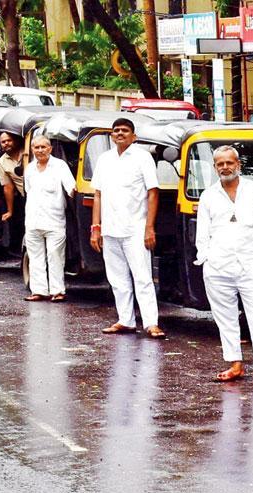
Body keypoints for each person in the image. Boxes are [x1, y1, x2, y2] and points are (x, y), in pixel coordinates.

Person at [195, 145, 253, 382]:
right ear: (215, 167)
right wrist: (206, 257)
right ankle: (234, 364)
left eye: (229, 163)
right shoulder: (208, 195)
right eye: (220, 164)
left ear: (238, 165)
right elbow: (202, 232)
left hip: (249, 262)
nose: (225, 167)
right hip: (218, 265)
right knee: (225, 317)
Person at [89, 117, 164, 338]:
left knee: (142, 277)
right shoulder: (105, 159)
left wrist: (149, 227)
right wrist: (96, 227)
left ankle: (151, 322)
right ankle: (125, 320)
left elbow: (153, 192)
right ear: (111, 135)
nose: (119, 134)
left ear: (134, 136)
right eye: (116, 130)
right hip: (110, 228)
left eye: (124, 130)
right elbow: (98, 194)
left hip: (136, 228)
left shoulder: (142, 157)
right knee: (117, 279)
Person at [22, 136, 74, 302]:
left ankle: (58, 291)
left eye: (43, 147)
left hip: (54, 220)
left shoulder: (60, 166)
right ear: (32, 150)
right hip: (32, 220)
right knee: (35, 256)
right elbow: (28, 191)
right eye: (36, 147)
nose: (40, 150)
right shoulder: (29, 168)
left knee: (55, 255)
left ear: (50, 149)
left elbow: (72, 189)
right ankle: (39, 291)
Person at [0, 131, 26, 260]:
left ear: (16, 141)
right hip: (25, 197)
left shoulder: (28, 151)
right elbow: (8, 187)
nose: (6, 143)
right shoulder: (1, 163)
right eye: (3, 142)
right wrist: (10, 211)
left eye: (9, 140)